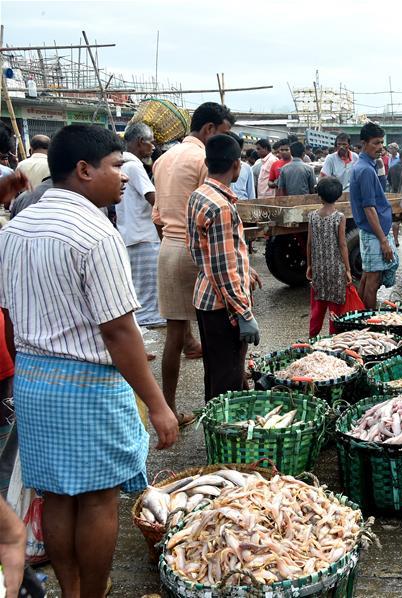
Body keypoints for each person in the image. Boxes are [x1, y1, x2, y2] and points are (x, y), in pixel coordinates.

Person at [0, 124, 178, 596]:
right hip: (88, 382)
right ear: (83, 170)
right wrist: (157, 404)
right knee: (98, 500)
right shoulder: (96, 234)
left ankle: (72, 589)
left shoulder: (15, 229)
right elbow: (119, 331)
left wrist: (27, 367)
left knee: (56, 496)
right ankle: (92, 594)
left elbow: (10, 316)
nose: (124, 176)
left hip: (34, 378)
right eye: (117, 166)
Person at [153, 101, 233, 426]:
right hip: (196, 250)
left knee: (175, 335)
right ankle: (216, 409)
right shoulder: (204, 159)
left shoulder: (162, 159)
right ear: (210, 129)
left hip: (167, 249)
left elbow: (156, 216)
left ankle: (169, 409)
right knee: (213, 330)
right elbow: (210, 212)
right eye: (223, 134)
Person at [187, 134, 259, 403]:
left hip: (205, 297)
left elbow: (199, 251)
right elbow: (222, 269)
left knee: (215, 373)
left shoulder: (199, 195)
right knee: (228, 380)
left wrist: (246, 270)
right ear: (237, 165)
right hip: (222, 306)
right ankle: (226, 437)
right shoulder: (221, 207)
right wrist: (243, 313)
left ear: (207, 163)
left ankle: (215, 432)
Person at [115, 122, 166, 329]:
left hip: (130, 234)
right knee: (148, 290)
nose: (153, 147)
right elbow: (153, 198)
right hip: (143, 236)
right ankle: (147, 325)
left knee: (140, 287)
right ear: (139, 142)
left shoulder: (122, 164)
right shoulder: (134, 166)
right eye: (151, 142)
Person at [349, 122, 397, 308]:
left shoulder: (366, 166)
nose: (380, 148)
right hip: (373, 232)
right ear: (364, 143)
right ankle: (369, 321)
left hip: (370, 231)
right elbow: (369, 208)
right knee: (373, 282)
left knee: (368, 278)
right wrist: (383, 240)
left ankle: (360, 316)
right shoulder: (366, 170)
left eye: (381, 143)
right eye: (376, 143)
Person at [306, 177, 353, 337]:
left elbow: (309, 243)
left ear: (319, 195)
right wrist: (347, 269)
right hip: (335, 269)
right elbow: (342, 244)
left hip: (319, 268)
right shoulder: (339, 217)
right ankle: (334, 337)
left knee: (318, 306)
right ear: (339, 195)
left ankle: (313, 337)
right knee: (336, 306)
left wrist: (310, 265)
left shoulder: (312, 216)